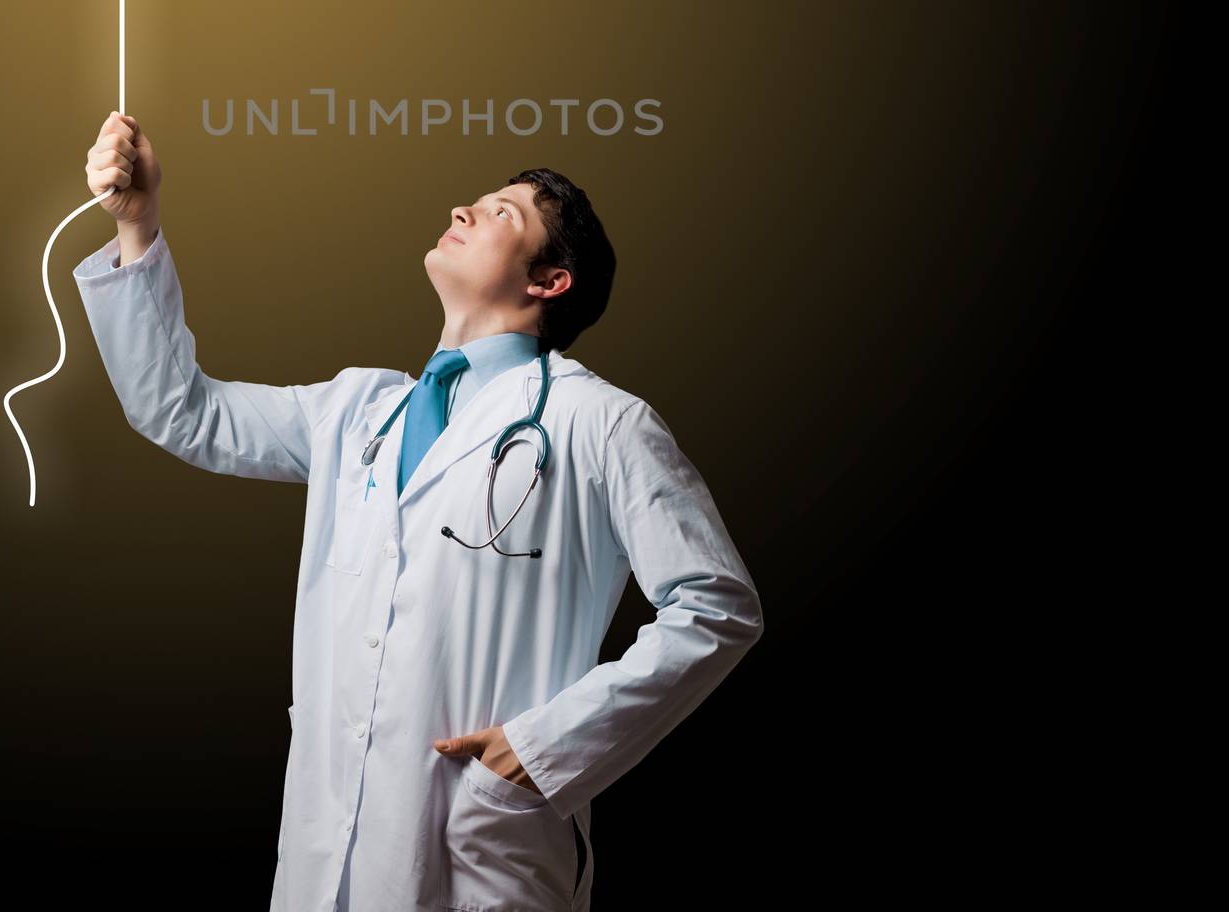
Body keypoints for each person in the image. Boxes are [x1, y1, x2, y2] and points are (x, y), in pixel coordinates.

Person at [73, 111, 763, 911]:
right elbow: (181, 411)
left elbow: (716, 606)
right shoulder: (360, 412)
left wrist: (543, 750)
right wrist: (138, 225)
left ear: (549, 282)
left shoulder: (598, 424)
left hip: (472, 849)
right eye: (474, 201)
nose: (463, 211)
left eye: (503, 213)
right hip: (325, 847)